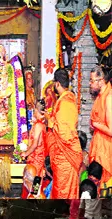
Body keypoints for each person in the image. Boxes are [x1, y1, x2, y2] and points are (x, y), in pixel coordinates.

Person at [47, 68, 82, 199]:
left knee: (63, 192)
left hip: (65, 156)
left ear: (57, 84)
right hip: (62, 155)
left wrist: (50, 122)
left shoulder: (65, 102)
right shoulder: (66, 99)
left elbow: (64, 134)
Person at [88, 66, 112, 186]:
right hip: (98, 146)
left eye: (92, 80)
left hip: (106, 150)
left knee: (105, 186)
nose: (90, 83)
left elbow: (111, 130)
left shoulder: (109, 98)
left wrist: (96, 124)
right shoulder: (100, 95)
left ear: (101, 81)